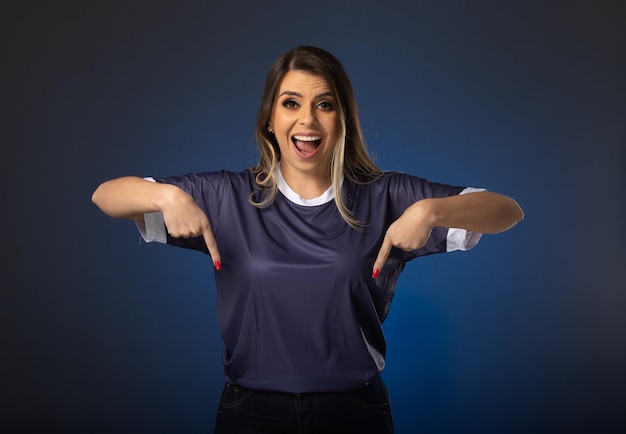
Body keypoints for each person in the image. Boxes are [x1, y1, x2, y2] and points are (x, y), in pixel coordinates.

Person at [92, 46, 523, 434]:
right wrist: (165, 196)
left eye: (325, 105)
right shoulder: (226, 196)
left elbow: (506, 211)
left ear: (343, 118)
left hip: (355, 411)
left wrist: (432, 210)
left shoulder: (386, 195)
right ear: (270, 118)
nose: (307, 120)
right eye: (291, 103)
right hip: (251, 412)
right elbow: (106, 195)